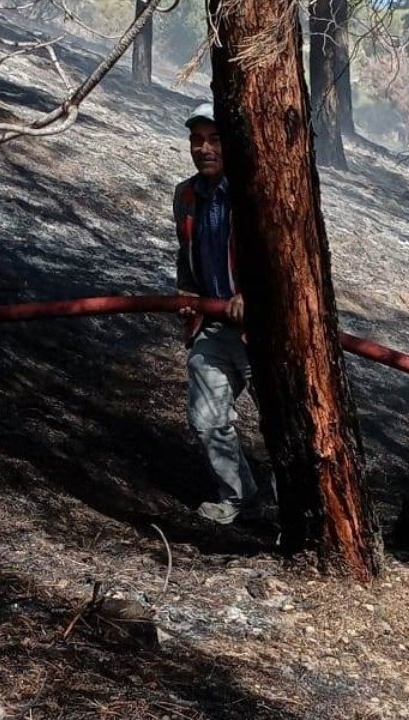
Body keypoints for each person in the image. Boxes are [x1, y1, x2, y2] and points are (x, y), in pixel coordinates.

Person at [173, 101, 258, 525]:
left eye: (214, 139)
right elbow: (185, 253)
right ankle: (238, 498)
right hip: (214, 326)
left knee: (289, 426)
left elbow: (281, 259)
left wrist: (252, 294)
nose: (203, 149)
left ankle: (296, 510)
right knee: (207, 419)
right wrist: (186, 293)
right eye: (196, 140)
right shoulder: (186, 195)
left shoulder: (253, 194)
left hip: (262, 333)